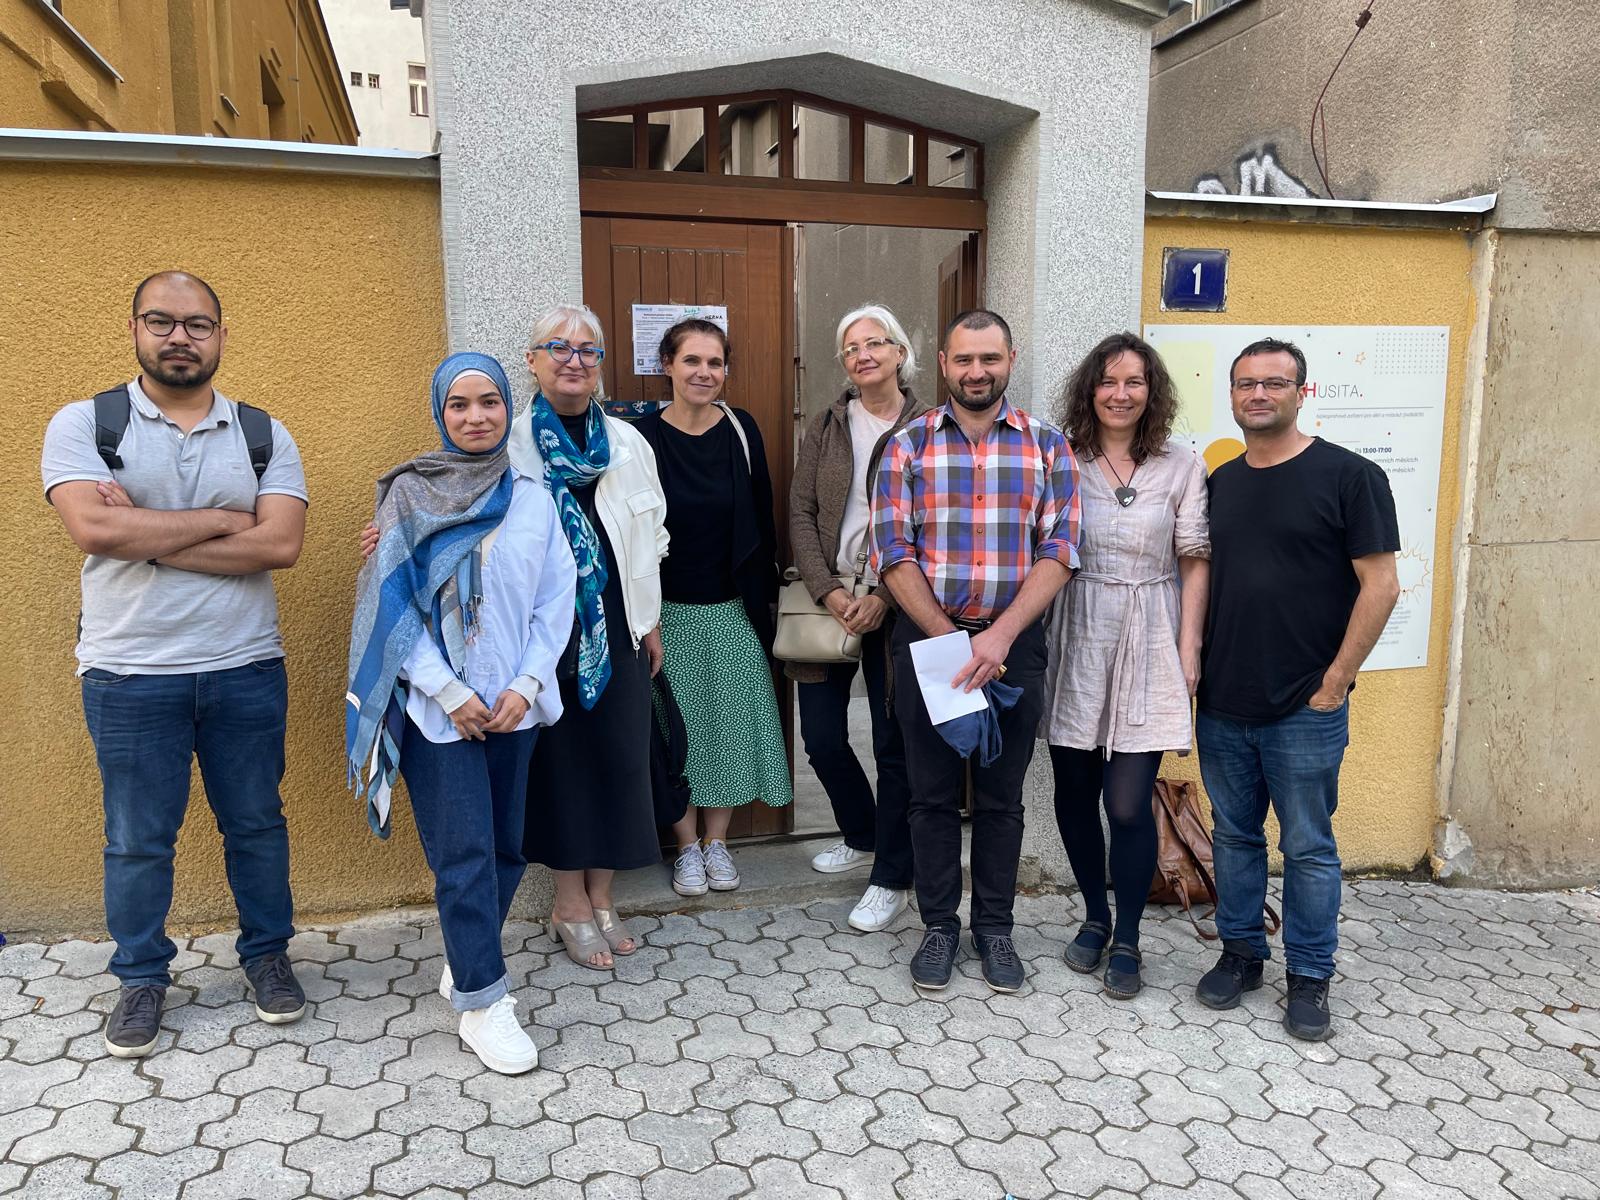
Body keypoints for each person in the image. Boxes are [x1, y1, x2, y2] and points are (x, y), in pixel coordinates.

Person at [42, 270, 309, 1058]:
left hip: (245, 665)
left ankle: (268, 958)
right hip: (129, 672)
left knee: (256, 825)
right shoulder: (85, 424)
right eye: (162, 321)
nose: (179, 337)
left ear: (221, 336)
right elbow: (93, 530)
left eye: (197, 324)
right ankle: (140, 977)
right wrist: (224, 523)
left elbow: (281, 544)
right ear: (134, 329)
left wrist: (152, 536)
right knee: (136, 838)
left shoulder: (263, 432)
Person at [361, 303, 668, 972]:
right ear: (531, 362)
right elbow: (446, 525)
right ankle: (568, 905)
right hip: (535, 635)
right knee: (559, 766)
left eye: (588, 349)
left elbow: (653, 537)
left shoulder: (629, 444)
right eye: (558, 347)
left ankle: (604, 893)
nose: (574, 359)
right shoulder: (513, 443)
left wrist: (650, 621)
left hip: (613, 625)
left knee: (617, 758)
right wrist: (390, 543)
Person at [347, 353, 575, 1074]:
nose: (476, 417)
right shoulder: (409, 499)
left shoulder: (535, 499)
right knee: (465, 856)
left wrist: (529, 683)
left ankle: (464, 956)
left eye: (489, 403)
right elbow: (392, 608)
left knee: (506, 849)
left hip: (514, 707)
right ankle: (482, 1001)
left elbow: (554, 600)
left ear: (509, 409)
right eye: (459, 406)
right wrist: (450, 693)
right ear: (439, 414)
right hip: (438, 713)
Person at [1194, 337, 1400, 1041]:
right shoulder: (1221, 482)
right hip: (1224, 700)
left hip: (1304, 706)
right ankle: (1242, 952)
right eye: (1246, 384)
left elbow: (1382, 584)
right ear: (1232, 395)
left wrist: (1338, 679)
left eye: (1274, 383)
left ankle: (1310, 976)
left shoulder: (1350, 477)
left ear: (1301, 392)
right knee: (1234, 836)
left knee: (1309, 846)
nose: (1259, 394)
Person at [872, 309, 1081, 994]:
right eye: (964, 359)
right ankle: (938, 927)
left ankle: (994, 929)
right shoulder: (907, 447)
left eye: (989, 359)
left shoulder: (1049, 447)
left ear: (1010, 359)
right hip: (930, 638)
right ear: (942, 362)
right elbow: (892, 552)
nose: (976, 372)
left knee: (1002, 798)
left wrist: (997, 637)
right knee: (929, 795)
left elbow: (1059, 551)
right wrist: (948, 637)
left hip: (1013, 643)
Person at [1043, 332, 1210, 999]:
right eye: (1108, 382)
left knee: (1129, 802)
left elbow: (1196, 557)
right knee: (1074, 794)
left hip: (1150, 634)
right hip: (1076, 630)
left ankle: (1131, 937)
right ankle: (1094, 916)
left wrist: (1189, 649)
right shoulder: (1063, 459)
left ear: (1153, 392)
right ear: (1091, 390)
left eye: (1134, 382)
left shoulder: (1181, 465)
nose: (1120, 394)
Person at [635, 319, 792, 895]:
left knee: (727, 727)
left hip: (730, 606)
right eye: (692, 361)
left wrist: (766, 600)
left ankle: (717, 844)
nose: (705, 372)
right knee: (674, 733)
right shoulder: (639, 437)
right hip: (662, 611)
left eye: (716, 362)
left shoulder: (741, 429)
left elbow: (763, 515)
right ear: (668, 366)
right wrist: (640, 615)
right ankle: (684, 849)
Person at [789, 305, 929, 932]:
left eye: (876, 343)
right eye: (851, 348)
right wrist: (826, 590)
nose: (863, 354)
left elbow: (942, 523)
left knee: (894, 744)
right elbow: (800, 512)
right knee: (819, 736)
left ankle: (891, 876)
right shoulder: (825, 425)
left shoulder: (931, 425)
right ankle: (862, 831)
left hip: (903, 603)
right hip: (832, 601)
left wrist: (887, 596)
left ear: (900, 352)